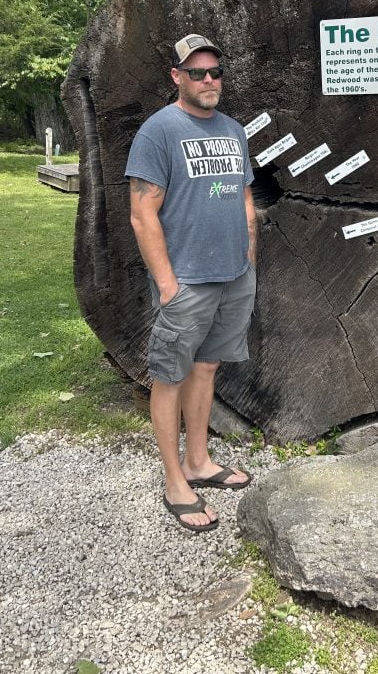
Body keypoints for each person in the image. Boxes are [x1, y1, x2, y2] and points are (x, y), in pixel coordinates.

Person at [125, 33, 257, 532]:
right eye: (197, 72)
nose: (208, 80)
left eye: (215, 72)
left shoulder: (233, 131)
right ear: (177, 76)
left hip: (233, 276)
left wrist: (247, 257)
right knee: (170, 376)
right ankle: (174, 478)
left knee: (206, 369)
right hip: (187, 282)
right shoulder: (159, 131)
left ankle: (200, 461)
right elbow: (142, 212)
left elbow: (244, 195)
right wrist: (167, 283)